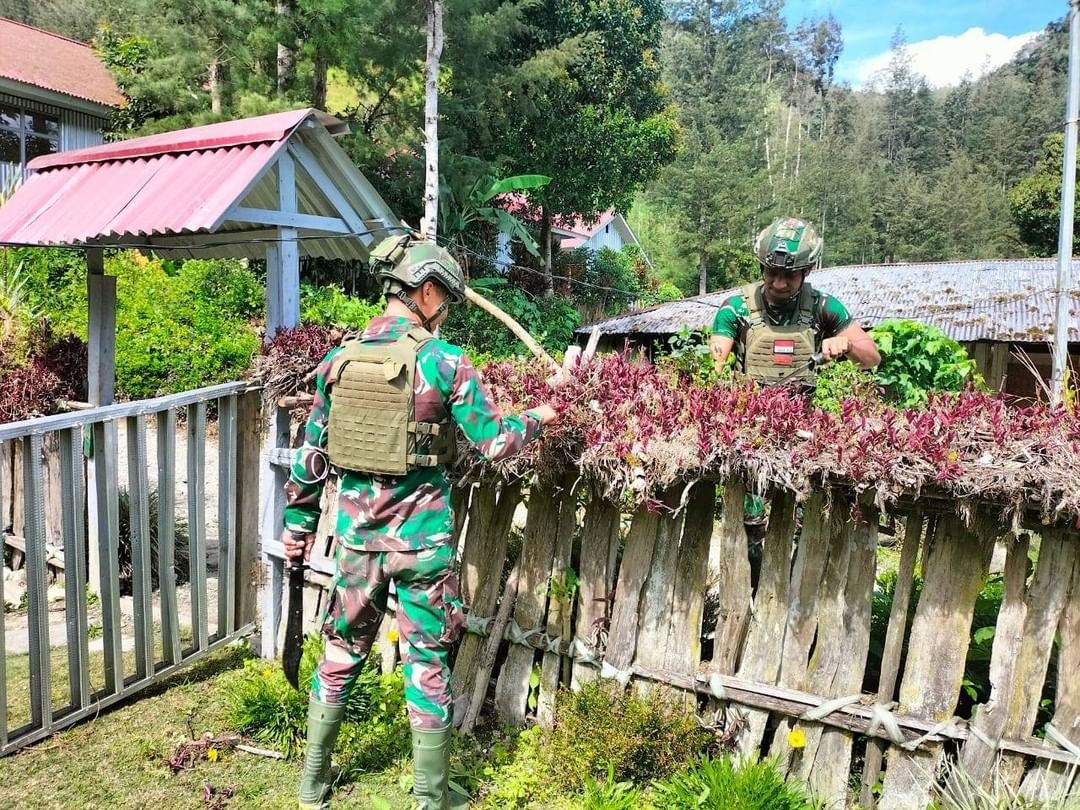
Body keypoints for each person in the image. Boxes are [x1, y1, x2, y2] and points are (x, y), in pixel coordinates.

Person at [281, 235, 558, 810]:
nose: (446, 310)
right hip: (421, 544)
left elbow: (311, 455)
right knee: (427, 663)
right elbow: (494, 441)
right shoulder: (444, 361)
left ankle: (312, 786)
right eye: (446, 299)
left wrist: (298, 527)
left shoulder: (339, 361)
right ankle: (431, 799)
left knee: (341, 651)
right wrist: (541, 413)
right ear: (426, 291)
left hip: (356, 542)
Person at [709, 216, 880, 551]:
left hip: (802, 433)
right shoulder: (736, 309)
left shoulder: (823, 307)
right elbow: (714, 368)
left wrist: (846, 344)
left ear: (807, 271)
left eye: (789, 275)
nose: (779, 282)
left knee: (800, 520)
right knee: (750, 523)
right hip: (750, 431)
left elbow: (872, 357)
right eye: (771, 272)